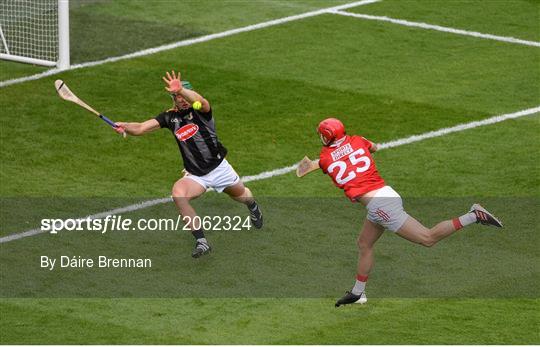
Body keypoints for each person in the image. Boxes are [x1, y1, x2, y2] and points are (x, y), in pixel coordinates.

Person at [306, 118, 502, 307]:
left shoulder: (325, 158)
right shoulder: (358, 140)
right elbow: (374, 147)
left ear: (327, 137)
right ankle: (358, 293)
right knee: (364, 243)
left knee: (427, 238)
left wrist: (309, 165)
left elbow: (313, 165)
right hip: (385, 194)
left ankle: (474, 215)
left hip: (380, 205)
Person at [114, 70, 263, 258]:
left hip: (219, 168)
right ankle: (201, 241)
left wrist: (182, 90)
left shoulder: (201, 111)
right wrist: (125, 125)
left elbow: (202, 100)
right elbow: (142, 127)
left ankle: (253, 206)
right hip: (195, 175)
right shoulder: (169, 117)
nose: (182, 99)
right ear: (173, 99)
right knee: (178, 194)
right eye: (177, 96)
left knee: (242, 196)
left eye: (184, 94)